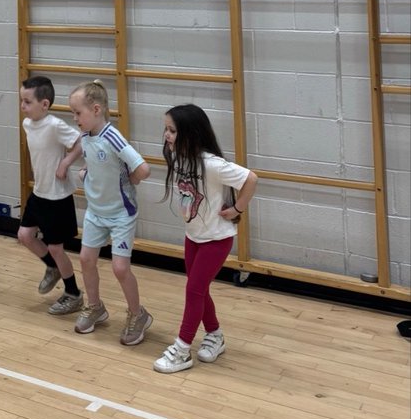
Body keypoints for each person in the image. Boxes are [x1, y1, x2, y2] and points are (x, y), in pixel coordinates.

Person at [154, 103, 258, 374]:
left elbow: (251, 179)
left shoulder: (212, 164)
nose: (166, 135)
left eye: (172, 130)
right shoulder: (178, 157)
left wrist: (237, 210)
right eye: (166, 129)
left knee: (194, 290)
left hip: (217, 238)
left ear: (190, 134)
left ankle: (182, 349)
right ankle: (215, 334)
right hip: (194, 236)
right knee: (199, 289)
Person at [69, 81, 152, 343]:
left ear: (95, 110)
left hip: (121, 214)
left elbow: (143, 169)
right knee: (86, 259)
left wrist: (133, 179)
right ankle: (95, 307)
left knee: (119, 268)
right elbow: (96, 163)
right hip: (96, 211)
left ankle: (138, 314)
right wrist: (86, 172)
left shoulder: (113, 136)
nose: (74, 118)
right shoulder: (85, 136)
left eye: (77, 113)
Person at [17, 75, 84, 316]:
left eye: (27, 102)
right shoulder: (27, 124)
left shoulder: (55, 125)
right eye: (22, 101)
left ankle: (73, 294)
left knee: (56, 248)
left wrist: (65, 163)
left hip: (57, 197)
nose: (23, 106)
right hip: (39, 192)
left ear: (44, 104)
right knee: (25, 235)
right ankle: (52, 268)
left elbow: (80, 142)